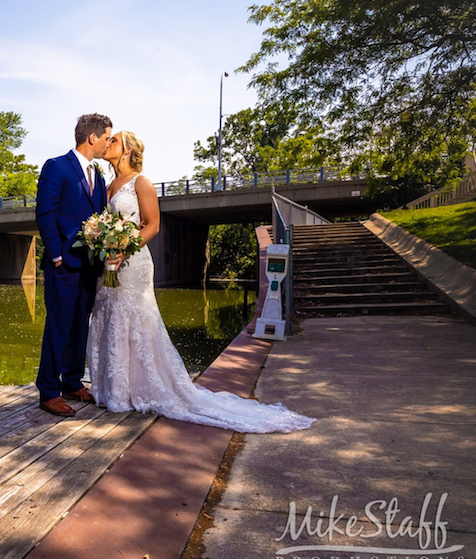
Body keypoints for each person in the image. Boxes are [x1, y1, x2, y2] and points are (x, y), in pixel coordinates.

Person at [87, 131, 314, 433]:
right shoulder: (106, 185)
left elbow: (153, 225)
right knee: (108, 316)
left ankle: (137, 389)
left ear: (127, 150)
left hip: (133, 262)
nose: (108, 144)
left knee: (134, 319)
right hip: (110, 263)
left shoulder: (140, 183)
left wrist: (122, 250)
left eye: (114, 140)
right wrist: (105, 248)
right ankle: (111, 388)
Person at [34, 114, 112, 417]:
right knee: (58, 326)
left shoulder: (100, 176)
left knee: (80, 324)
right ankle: (49, 391)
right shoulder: (57, 167)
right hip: (63, 264)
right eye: (107, 137)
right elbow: (45, 213)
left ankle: (71, 381)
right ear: (92, 138)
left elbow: (100, 219)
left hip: (89, 265)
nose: (108, 143)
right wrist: (56, 255)